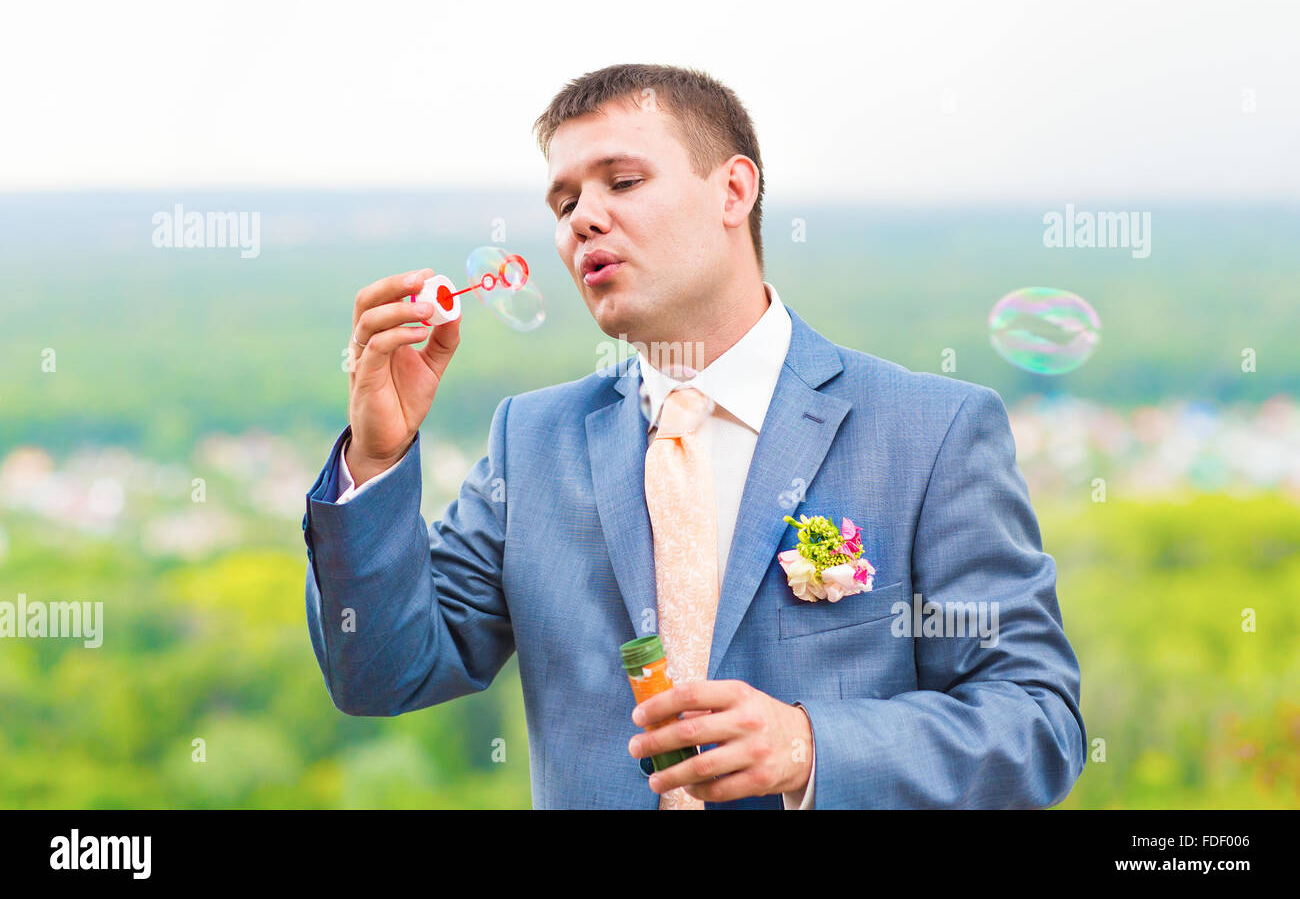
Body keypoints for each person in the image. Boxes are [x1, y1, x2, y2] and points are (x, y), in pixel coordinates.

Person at [302, 63, 1086, 809]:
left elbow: (1037, 722)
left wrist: (810, 746)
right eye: (564, 204)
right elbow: (381, 672)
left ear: (733, 190)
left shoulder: (931, 432)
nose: (584, 219)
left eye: (622, 181)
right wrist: (377, 457)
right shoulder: (531, 442)